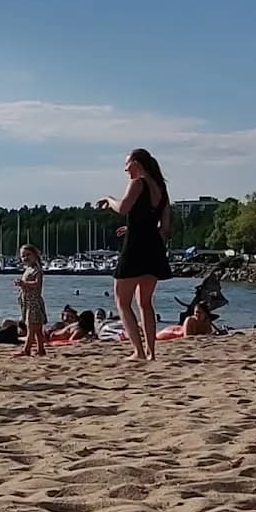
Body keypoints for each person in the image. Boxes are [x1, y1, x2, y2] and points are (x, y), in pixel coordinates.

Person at [97, 148, 172, 363]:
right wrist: (137, 229)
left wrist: (109, 199)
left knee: (122, 302)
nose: (125, 169)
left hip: (135, 249)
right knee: (145, 303)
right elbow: (165, 227)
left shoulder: (138, 182)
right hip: (154, 249)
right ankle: (151, 352)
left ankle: (138, 351)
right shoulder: (161, 189)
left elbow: (123, 208)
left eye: (127, 164)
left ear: (137, 163)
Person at [16, 244, 46, 356]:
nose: (25, 258)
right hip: (27, 302)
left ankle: (26, 349)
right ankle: (41, 349)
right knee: (37, 329)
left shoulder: (37, 270)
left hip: (34, 302)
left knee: (31, 327)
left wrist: (24, 283)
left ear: (35, 255)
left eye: (28, 255)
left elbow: (37, 284)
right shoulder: (28, 270)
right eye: (23, 256)